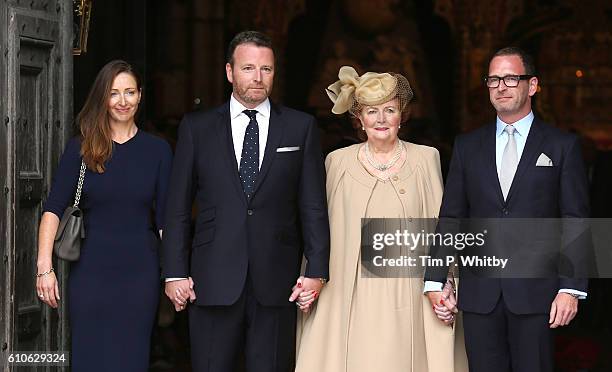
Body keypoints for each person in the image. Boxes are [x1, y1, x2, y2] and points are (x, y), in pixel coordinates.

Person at [161, 30, 330, 372]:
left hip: (278, 279)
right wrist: (174, 272)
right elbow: (177, 207)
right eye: (248, 68)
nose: (258, 78)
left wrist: (316, 270)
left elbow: (313, 205)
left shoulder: (301, 128)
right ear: (229, 72)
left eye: (266, 69)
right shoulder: (197, 128)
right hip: (211, 276)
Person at [424, 47, 589, 372]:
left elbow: (576, 219)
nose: (501, 86)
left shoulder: (561, 145)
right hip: (479, 294)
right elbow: (452, 217)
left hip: (538, 294)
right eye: (493, 79)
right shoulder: (467, 146)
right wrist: (435, 280)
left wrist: (571, 287)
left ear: (533, 85)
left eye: (511, 78)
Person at [295, 66, 468, 372]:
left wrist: (446, 281)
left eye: (390, 110)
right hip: (350, 291)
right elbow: (321, 230)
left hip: (409, 291)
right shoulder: (336, 162)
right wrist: (314, 277)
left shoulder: (427, 158)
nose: (381, 119)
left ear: (402, 115)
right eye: (372, 111)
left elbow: (444, 226)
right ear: (359, 118)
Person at [36, 60, 172, 371]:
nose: (123, 101)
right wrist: (45, 266)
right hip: (91, 274)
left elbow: (166, 220)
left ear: (140, 96)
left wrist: (175, 273)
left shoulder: (158, 151)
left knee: (132, 358)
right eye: (114, 93)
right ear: (103, 98)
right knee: (90, 358)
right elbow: (54, 207)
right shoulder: (81, 148)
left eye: (130, 92)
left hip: (140, 274)